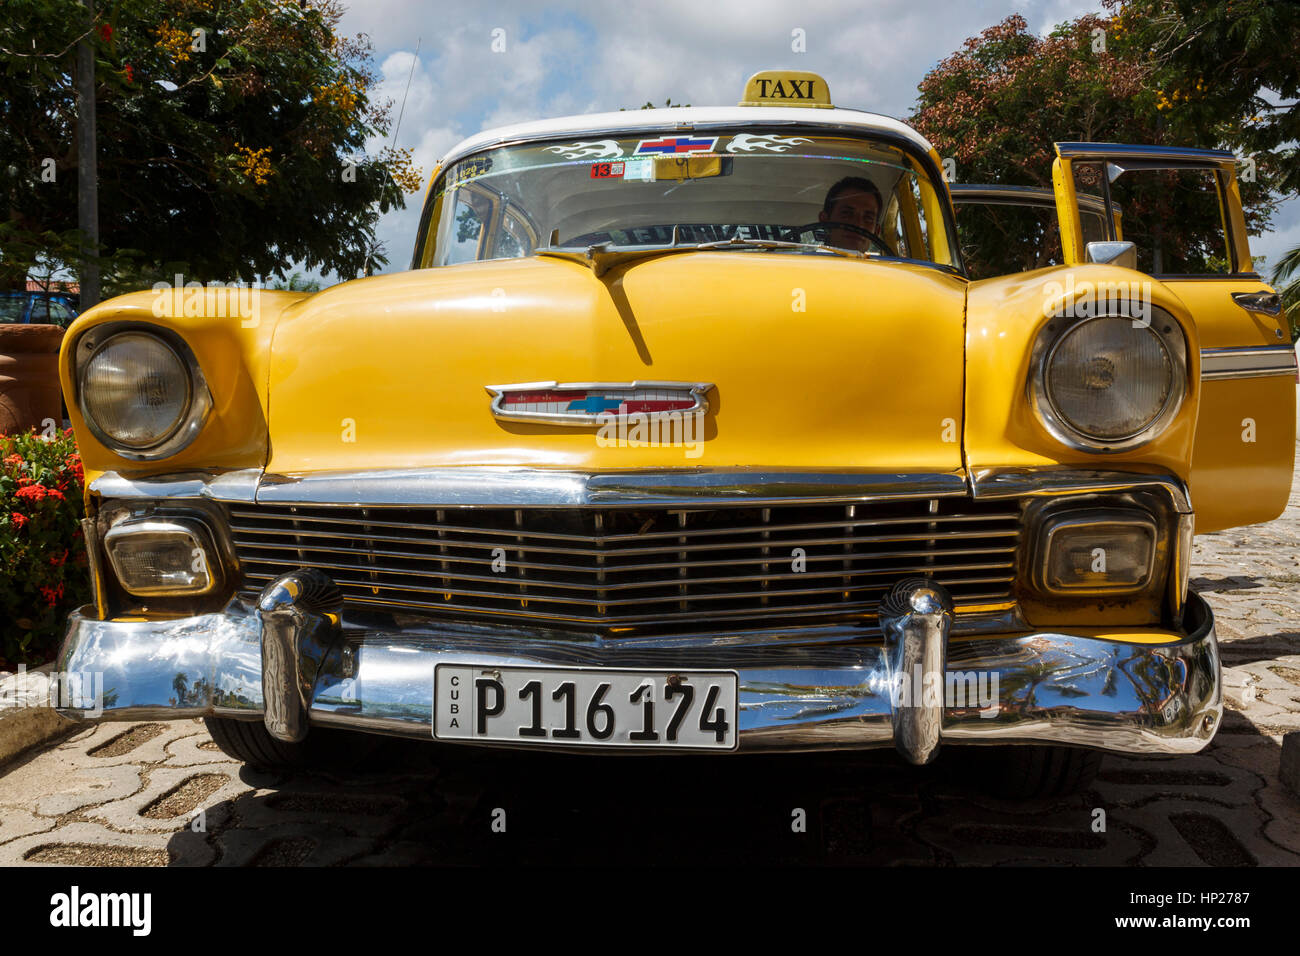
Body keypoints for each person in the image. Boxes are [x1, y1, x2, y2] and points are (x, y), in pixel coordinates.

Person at [819, 176, 887, 252]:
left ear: (876, 232)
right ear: (825, 220)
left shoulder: (891, 264)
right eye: (846, 213)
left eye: (868, 218)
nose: (858, 224)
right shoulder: (804, 262)